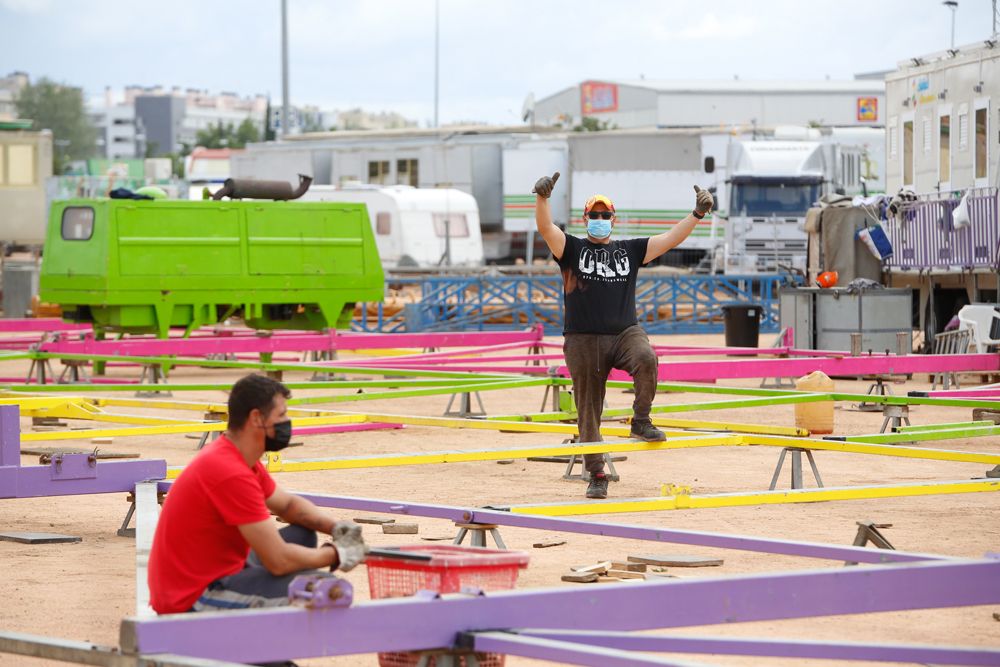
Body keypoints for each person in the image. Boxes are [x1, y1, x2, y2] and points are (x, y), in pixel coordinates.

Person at [533, 172, 714, 499]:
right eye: (595, 215)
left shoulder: (629, 251)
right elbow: (546, 228)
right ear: (585, 219)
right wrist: (542, 198)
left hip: (623, 332)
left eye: (605, 215)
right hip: (583, 338)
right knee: (589, 409)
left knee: (646, 357)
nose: (600, 219)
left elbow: (670, 239)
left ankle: (640, 419)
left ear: (613, 220)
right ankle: (597, 473)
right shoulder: (572, 248)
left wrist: (697, 214)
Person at [148, 373, 367, 614]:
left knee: (303, 535)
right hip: (192, 596)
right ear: (256, 418)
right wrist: (336, 553)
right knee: (321, 590)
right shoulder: (230, 473)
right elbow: (279, 560)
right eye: (281, 415)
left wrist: (336, 528)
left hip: (214, 569)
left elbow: (288, 506)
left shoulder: (235, 456)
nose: (287, 422)